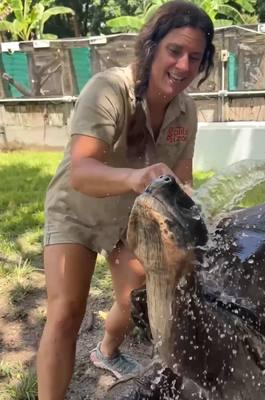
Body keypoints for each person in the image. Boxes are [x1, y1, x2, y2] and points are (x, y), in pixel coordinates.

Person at [36, 1, 215, 399]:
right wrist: (137, 176)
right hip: (77, 209)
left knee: (135, 303)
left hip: (129, 217)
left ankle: (106, 350)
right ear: (152, 46)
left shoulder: (187, 111)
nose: (184, 66)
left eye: (195, 58)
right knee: (65, 314)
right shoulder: (109, 88)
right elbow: (82, 170)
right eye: (175, 51)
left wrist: (206, 220)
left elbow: (183, 180)